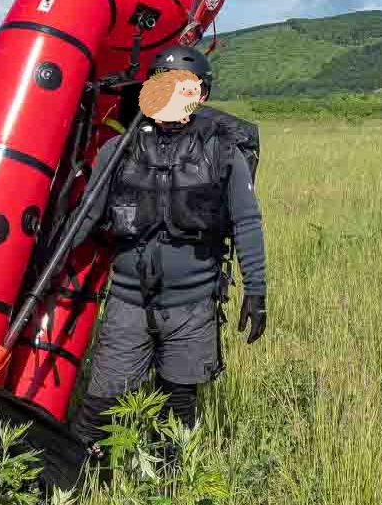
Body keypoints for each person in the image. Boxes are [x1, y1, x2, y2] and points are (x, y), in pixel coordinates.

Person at [67, 44, 267, 454]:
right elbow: (86, 218)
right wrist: (45, 269)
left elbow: (247, 222)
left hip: (193, 305)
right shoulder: (117, 152)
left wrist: (256, 291)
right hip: (128, 302)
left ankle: (170, 487)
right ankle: (85, 480)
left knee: (178, 410)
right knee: (100, 406)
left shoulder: (224, 153)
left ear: (202, 95)